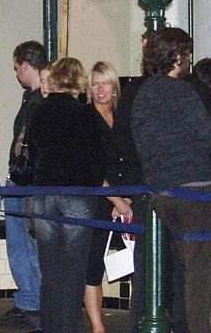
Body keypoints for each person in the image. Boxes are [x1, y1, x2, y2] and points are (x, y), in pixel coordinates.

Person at [130, 27, 211, 332]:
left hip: (163, 193)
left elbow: (142, 141)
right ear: (176, 57)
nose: (189, 59)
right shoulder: (183, 91)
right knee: (204, 277)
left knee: (182, 271)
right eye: (186, 53)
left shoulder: (143, 93)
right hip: (196, 191)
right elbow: (207, 140)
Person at [27, 57, 105, 333]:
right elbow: (96, 157)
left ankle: (49, 326)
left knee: (50, 269)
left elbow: (33, 151)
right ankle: (68, 327)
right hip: (77, 193)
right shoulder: (84, 113)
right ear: (77, 81)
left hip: (45, 191)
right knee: (73, 270)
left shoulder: (38, 110)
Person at [0, 41, 47, 331]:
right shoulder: (35, 98)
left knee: (24, 243)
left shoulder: (36, 100)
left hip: (25, 182)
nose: (16, 75)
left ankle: (31, 301)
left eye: (16, 69)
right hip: (28, 182)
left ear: (26, 66)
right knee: (27, 243)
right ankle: (31, 299)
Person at [85, 61, 132, 333]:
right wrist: (117, 200)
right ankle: (97, 326)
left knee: (139, 261)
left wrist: (128, 199)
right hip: (98, 199)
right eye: (95, 83)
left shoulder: (124, 118)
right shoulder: (86, 117)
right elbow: (90, 166)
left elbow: (135, 159)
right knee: (92, 265)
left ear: (115, 88)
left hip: (126, 197)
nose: (100, 89)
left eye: (105, 83)